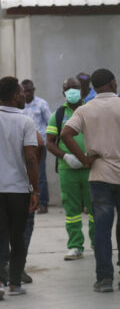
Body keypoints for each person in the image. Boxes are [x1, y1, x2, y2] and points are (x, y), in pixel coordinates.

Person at [61, 68, 120, 293]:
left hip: (99, 175)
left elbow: (66, 134)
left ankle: (104, 280)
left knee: (102, 230)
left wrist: (85, 160)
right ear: (114, 84)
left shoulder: (85, 109)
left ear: (94, 87)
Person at [46, 78, 94, 261]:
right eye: (68, 89)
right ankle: (75, 246)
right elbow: (50, 143)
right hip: (68, 169)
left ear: (82, 90)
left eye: (75, 88)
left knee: (95, 207)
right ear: (63, 92)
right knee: (72, 210)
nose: (72, 91)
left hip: (90, 167)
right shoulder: (58, 115)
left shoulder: (90, 111)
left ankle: (97, 242)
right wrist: (65, 156)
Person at [0, 77, 39, 299]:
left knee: (0, 236)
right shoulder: (26, 122)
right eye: (22, 92)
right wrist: (35, 190)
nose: (24, 95)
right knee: (17, 236)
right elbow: (31, 158)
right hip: (18, 190)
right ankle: (14, 284)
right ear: (15, 96)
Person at [22, 79, 51, 214]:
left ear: (33, 90)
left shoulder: (41, 104)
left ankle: (43, 203)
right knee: (26, 175)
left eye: (29, 90)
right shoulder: (20, 106)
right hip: (23, 147)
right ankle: (28, 201)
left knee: (40, 175)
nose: (27, 93)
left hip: (39, 147)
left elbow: (49, 123)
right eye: (24, 91)